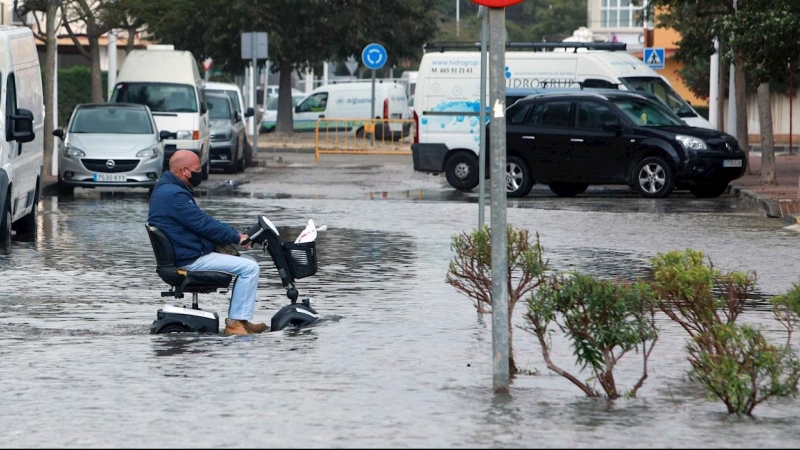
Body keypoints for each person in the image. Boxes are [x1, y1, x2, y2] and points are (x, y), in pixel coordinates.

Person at [148, 150, 266, 335]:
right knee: (250, 268)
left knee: (249, 263)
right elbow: (204, 224)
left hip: (186, 253)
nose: (200, 172)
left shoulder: (166, 188)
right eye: (197, 169)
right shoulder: (174, 195)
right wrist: (237, 237)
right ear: (185, 170)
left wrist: (233, 234)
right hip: (189, 259)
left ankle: (241, 320)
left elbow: (200, 223)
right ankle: (235, 324)